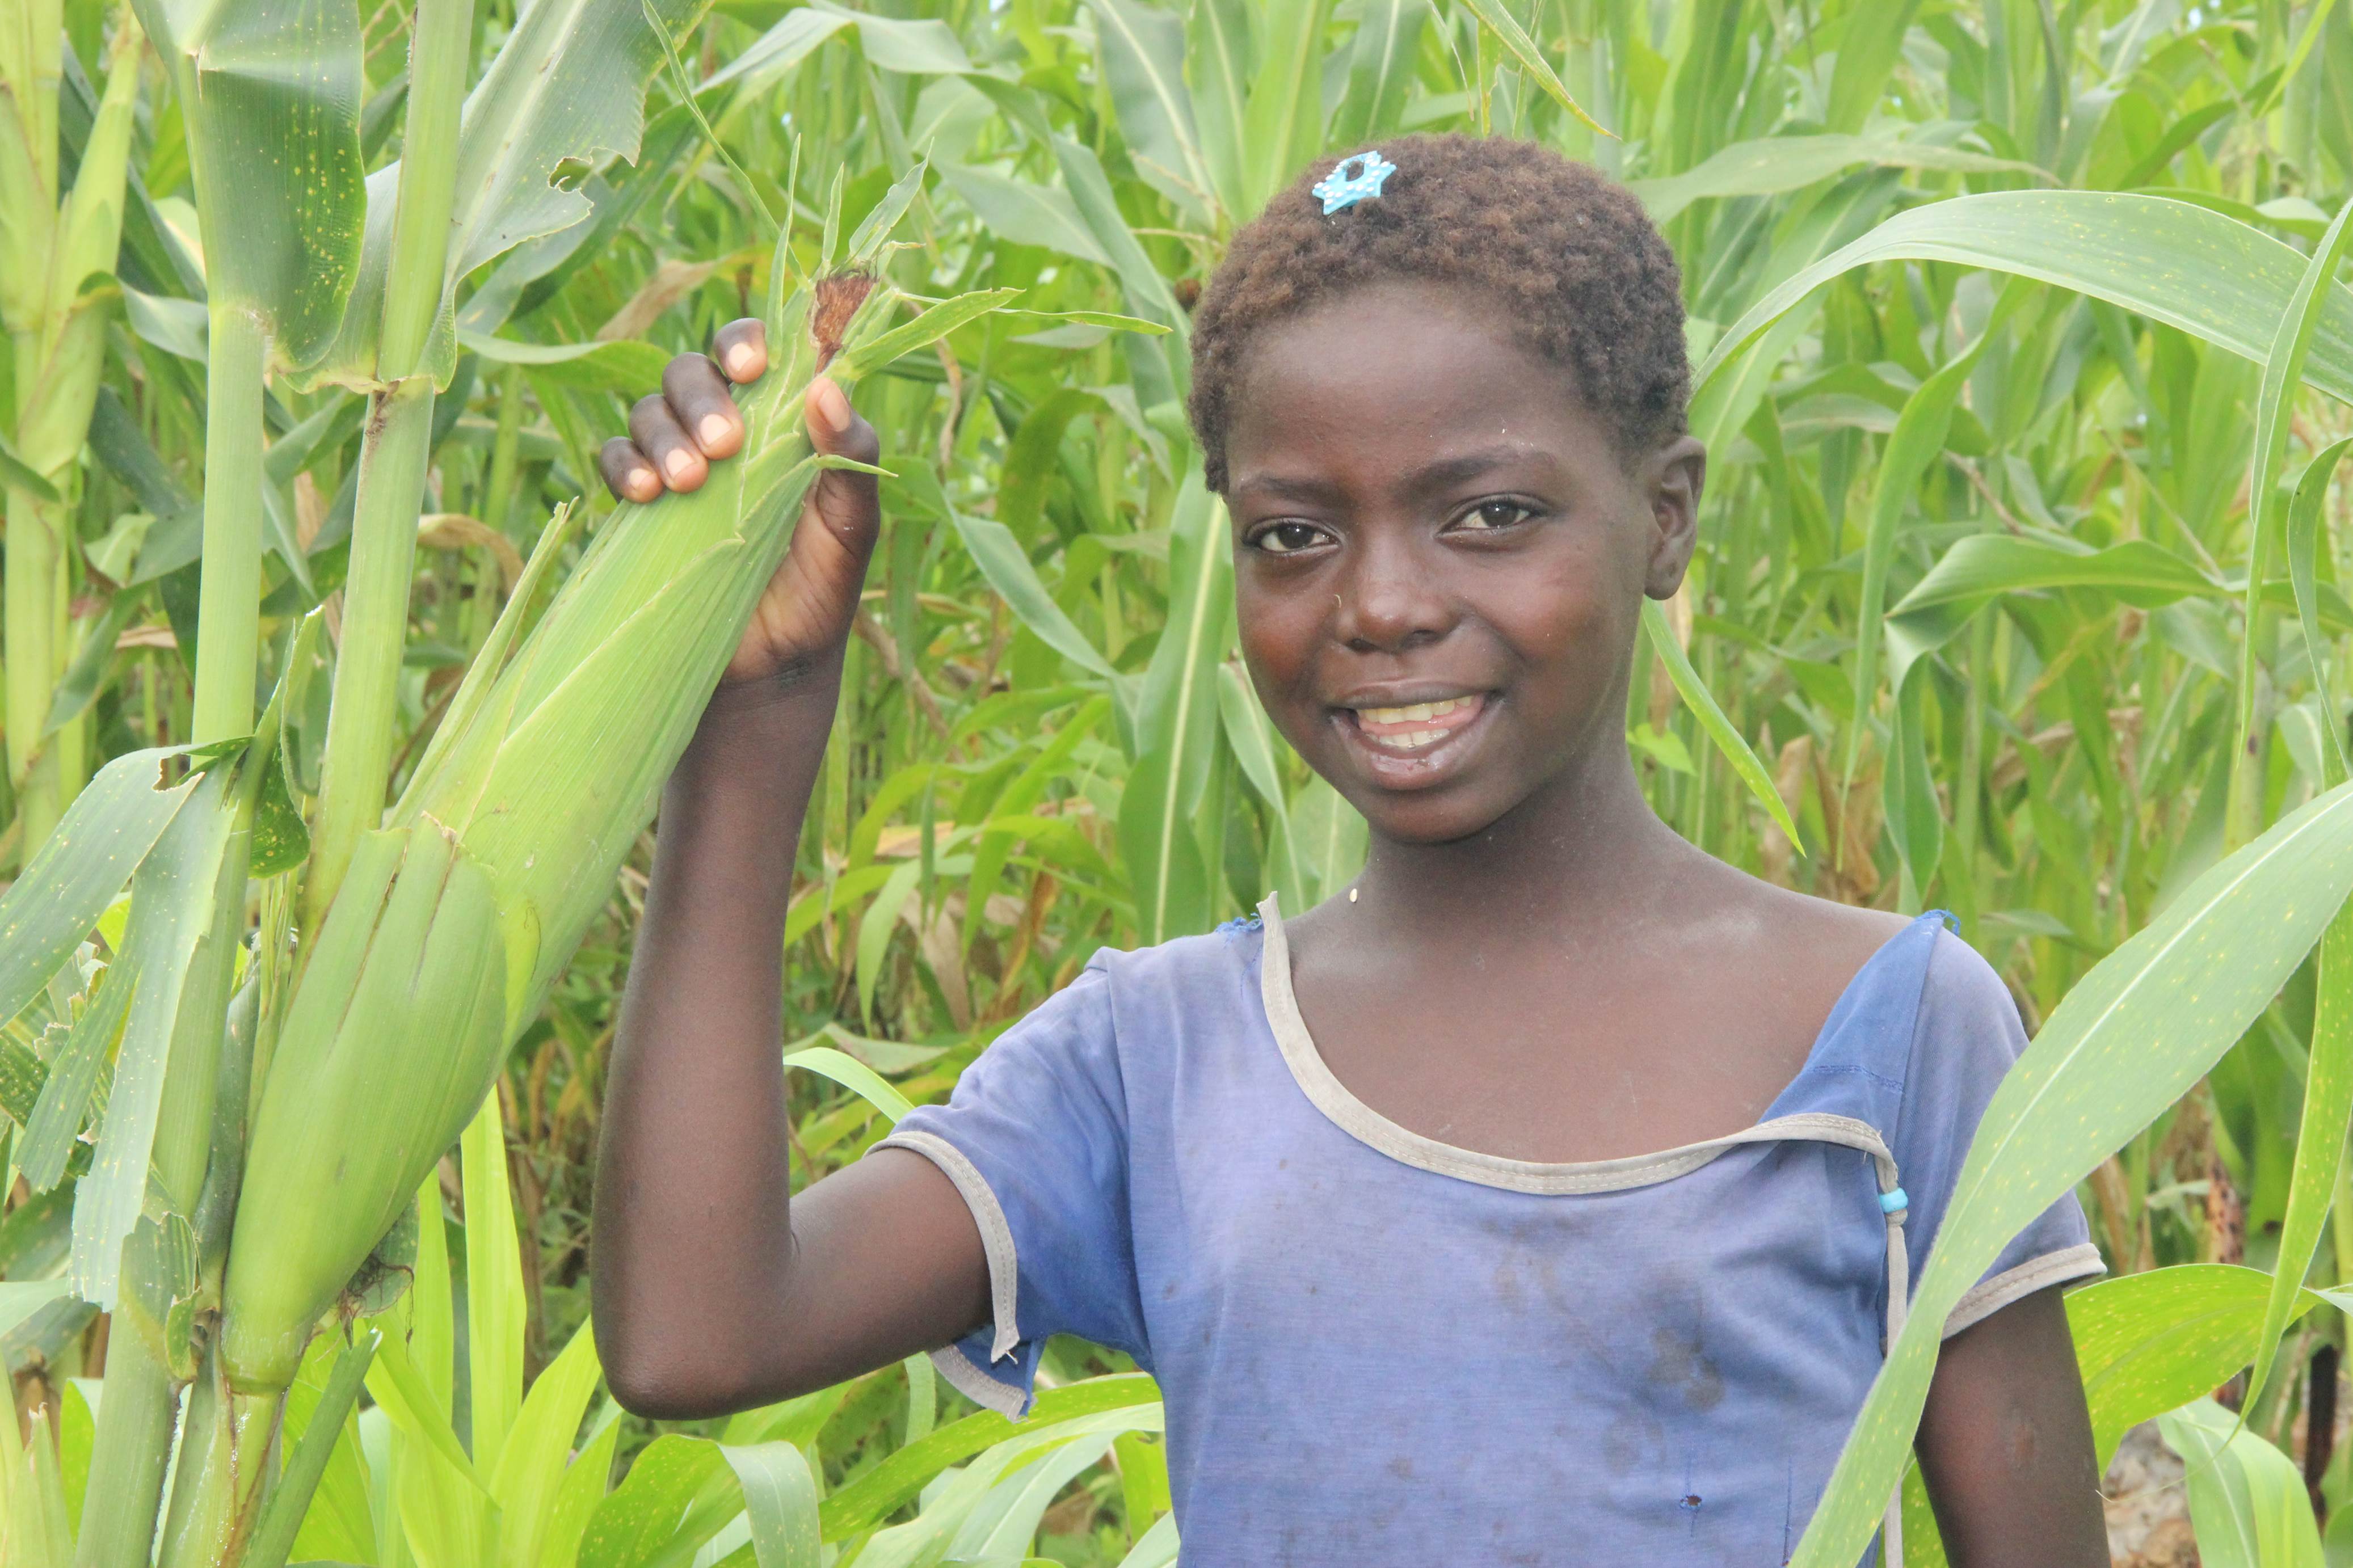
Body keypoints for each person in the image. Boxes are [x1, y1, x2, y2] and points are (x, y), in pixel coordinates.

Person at [590, 134, 2111, 1566]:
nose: (1379, 602)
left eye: (1488, 512)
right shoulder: (1160, 1059)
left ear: (1662, 519)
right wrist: (761, 712)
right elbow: (697, 1335)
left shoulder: (1892, 1030)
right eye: (1293, 535)